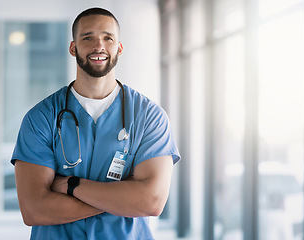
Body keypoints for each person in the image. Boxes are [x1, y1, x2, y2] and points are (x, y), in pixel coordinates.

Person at [11, 7, 180, 240]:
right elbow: (33, 209)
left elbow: (151, 201)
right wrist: (122, 198)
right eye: (87, 37)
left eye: (108, 38)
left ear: (119, 48)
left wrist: (72, 186)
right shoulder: (41, 117)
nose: (98, 46)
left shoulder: (149, 117)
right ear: (73, 47)